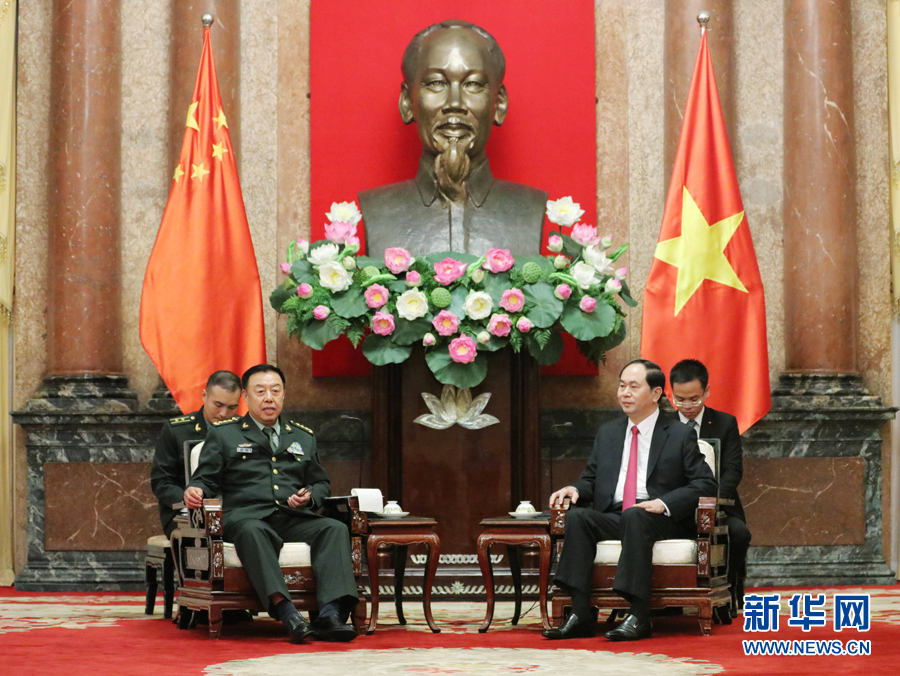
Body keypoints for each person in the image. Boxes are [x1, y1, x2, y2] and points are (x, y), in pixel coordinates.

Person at [543, 359, 717, 641]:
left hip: (660, 519)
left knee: (635, 516)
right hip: (617, 515)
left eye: (633, 387)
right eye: (622, 386)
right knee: (578, 517)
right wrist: (575, 489)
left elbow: (705, 483)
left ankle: (639, 616)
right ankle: (581, 614)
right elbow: (591, 479)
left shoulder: (679, 433)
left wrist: (664, 503)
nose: (625, 393)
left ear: (656, 393)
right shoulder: (609, 433)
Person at [185, 364, 359, 644]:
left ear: (283, 395)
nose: (269, 398)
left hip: (290, 517)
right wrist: (195, 489)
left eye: (275, 391)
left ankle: (330, 616)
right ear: (245, 396)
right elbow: (205, 479)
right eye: (261, 391)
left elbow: (320, 483)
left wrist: (309, 496)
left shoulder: (302, 436)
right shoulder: (224, 434)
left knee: (333, 528)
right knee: (254, 531)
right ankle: (289, 614)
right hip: (245, 518)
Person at [359, 19, 547, 258]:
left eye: (473, 84)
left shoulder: (530, 208)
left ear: (499, 103)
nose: (455, 103)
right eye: (436, 83)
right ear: (407, 102)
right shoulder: (377, 209)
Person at [670, 358, 751, 618]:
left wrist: (711, 504)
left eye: (694, 399)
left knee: (738, 534)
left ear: (706, 391)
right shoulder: (662, 425)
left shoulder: (725, 423)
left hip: (719, 506)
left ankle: (727, 589)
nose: (687, 406)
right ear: (670, 394)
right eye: (680, 400)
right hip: (675, 508)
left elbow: (732, 471)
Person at [150, 370, 242, 538]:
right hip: (183, 513)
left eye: (232, 407)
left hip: (233, 511)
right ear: (204, 396)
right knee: (208, 537)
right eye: (218, 405)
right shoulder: (178, 430)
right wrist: (187, 497)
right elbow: (161, 481)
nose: (223, 414)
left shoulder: (242, 431)